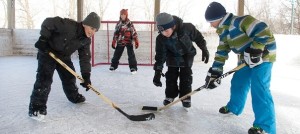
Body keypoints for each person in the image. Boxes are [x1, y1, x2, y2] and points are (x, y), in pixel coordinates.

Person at [204, 2, 276, 134]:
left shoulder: (240, 21)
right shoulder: (223, 31)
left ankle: (265, 127)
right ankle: (234, 107)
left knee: (259, 87)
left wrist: (256, 49)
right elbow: (222, 52)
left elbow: (264, 31)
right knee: (238, 82)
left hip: (264, 55)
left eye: (211, 21)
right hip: (246, 58)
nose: (210, 25)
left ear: (217, 19)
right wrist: (215, 71)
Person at [29, 12, 100, 118]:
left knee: (69, 77)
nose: (92, 32)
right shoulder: (69, 25)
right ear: (85, 24)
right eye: (91, 28)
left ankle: (74, 97)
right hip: (48, 52)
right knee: (44, 80)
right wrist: (43, 38)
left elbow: (85, 58)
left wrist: (86, 75)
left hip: (63, 56)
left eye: (95, 30)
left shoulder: (86, 40)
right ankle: (36, 109)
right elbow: (48, 22)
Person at [153, 12, 209, 108]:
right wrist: (158, 71)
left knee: (186, 76)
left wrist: (204, 49)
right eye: (161, 31)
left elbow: (198, 37)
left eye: (166, 30)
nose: (164, 34)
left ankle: (185, 97)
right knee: (171, 76)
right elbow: (160, 55)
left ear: (173, 26)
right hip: (171, 56)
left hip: (187, 55)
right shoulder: (161, 39)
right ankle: (170, 95)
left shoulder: (187, 28)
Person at [109, 9, 139, 74]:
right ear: (120, 15)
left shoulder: (129, 23)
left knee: (131, 55)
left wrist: (136, 40)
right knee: (117, 54)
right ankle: (113, 66)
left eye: (124, 15)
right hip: (120, 41)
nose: (123, 16)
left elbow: (133, 32)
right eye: (121, 15)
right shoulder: (119, 23)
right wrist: (114, 40)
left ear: (126, 15)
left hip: (129, 41)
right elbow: (116, 33)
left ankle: (133, 68)